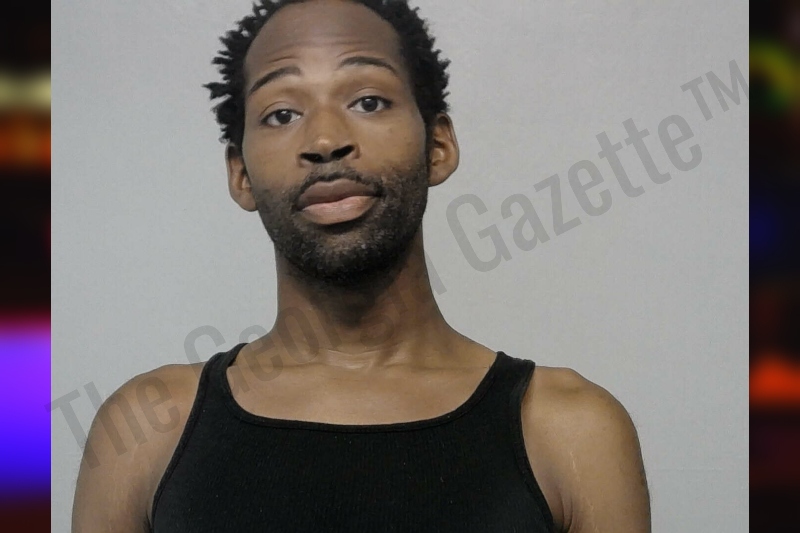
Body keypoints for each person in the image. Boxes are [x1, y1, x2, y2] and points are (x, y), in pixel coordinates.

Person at [71, 1, 651, 531]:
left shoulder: (569, 431)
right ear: (240, 174)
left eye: (368, 101)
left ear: (438, 146)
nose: (325, 139)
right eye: (281, 113)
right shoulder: (145, 432)